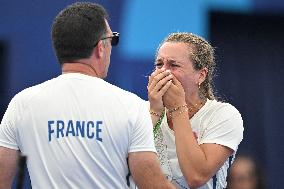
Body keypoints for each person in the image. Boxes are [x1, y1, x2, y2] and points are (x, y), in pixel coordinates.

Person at [0, 2, 175, 189]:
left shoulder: (22, 104)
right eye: (112, 40)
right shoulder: (131, 106)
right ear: (100, 48)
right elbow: (153, 185)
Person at [147, 32, 244, 189]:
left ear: (201, 75)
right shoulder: (140, 111)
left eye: (174, 65)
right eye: (159, 64)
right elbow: (128, 169)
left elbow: (196, 176)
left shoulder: (223, 116)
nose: (163, 72)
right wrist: (154, 112)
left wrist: (178, 108)